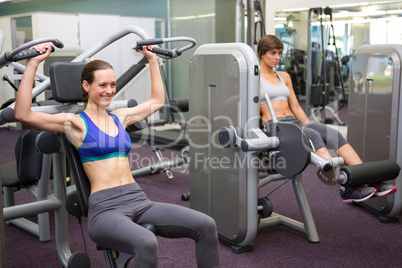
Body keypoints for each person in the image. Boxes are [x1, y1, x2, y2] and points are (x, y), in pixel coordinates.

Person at [14, 43, 220, 268]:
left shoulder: (119, 117)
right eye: (102, 85)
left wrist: (152, 60)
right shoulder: (75, 123)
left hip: (139, 200)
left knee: (206, 225)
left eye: (112, 85)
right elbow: (23, 114)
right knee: (146, 242)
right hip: (105, 209)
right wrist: (32, 64)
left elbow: (157, 101)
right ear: (86, 85)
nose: (109, 91)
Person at [257, 34, 397, 204]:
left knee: (332, 133)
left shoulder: (284, 76)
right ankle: (345, 189)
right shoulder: (255, 79)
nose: (277, 57)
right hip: (275, 126)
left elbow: (295, 106)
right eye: (273, 53)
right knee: (314, 137)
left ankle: (369, 179)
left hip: (294, 123)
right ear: (262, 53)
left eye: (279, 53)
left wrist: (309, 126)